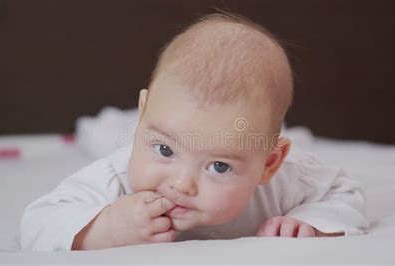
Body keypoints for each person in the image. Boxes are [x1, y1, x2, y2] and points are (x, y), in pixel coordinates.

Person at [21, 12, 369, 251]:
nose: (180, 185)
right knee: (107, 138)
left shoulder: (286, 181)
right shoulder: (116, 178)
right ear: (143, 117)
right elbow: (38, 222)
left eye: (219, 166)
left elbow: (344, 192)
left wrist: (308, 222)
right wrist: (104, 229)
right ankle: (110, 128)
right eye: (164, 150)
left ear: (269, 164)